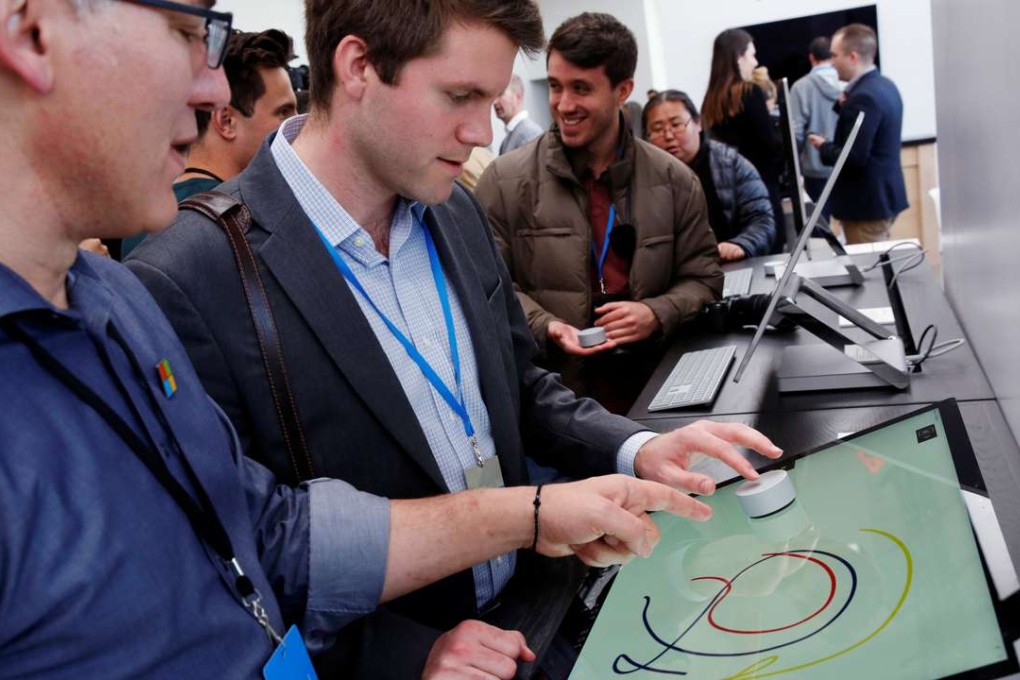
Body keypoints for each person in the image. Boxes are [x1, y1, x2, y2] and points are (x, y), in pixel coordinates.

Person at [0, 1, 774, 678]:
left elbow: (516, 385)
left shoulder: (452, 209)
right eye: (458, 96)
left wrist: (634, 449)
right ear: (359, 66)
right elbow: (253, 560)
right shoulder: (184, 275)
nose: (481, 131)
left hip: (543, 613)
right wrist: (400, 657)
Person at [475, 13, 722, 412]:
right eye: (556, 87)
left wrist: (655, 313)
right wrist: (546, 325)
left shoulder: (675, 180)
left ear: (622, 90)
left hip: (655, 395)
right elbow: (489, 288)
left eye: (581, 89)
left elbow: (704, 279)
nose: (564, 104)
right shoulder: (504, 181)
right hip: (555, 404)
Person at [121, 28, 298, 258]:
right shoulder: (244, 220)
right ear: (227, 121)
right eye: (283, 112)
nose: (298, 124)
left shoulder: (145, 214)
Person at [643, 90, 775, 260]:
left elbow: (762, 220)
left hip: (729, 264)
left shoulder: (731, 163)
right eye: (657, 129)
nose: (668, 136)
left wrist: (741, 244)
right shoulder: (641, 178)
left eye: (676, 125)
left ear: (698, 123)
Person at [808, 24, 907, 244]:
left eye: (835, 55)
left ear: (852, 57)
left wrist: (824, 147)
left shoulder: (863, 98)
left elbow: (853, 157)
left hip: (866, 205)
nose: (831, 62)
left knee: (869, 274)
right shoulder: (884, 85)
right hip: (882, 197)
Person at [701, 28, 784, 250]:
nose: (755, 62)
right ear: (738, 57)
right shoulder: (749, 92)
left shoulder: (711, 100)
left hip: (727, 199)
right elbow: (769, 146)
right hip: (761, 190)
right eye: (751, 55)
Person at [790, 36, 841, 220]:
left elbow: (795, 132)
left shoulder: (800, 87)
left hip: (815, 169)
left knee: (820, 230)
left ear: (811, 57)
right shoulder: (848, 83)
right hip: (846, 164)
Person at [494, 73, 544, 154]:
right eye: (494, 96)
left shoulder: (529, 133)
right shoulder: (509, 138)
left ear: (518, 97)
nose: (495, 102)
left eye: (500, 94)